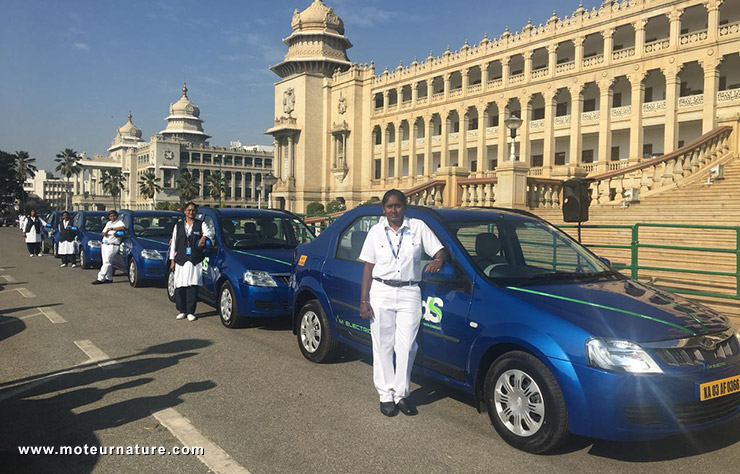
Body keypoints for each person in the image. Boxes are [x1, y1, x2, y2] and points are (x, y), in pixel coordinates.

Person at [358, 189, 447, 417]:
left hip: (409, 291)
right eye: (389, 206)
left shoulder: (417, 228)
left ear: (404, 207)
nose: (394, 210)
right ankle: (386, 395)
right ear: (384, 209)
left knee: (407, 346)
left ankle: (402, 394)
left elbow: (440, 251)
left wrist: (438, 261)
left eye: (398, 206)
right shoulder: (376, 232)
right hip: (381, 290)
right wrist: (364, 300)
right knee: (383, 345)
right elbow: (368, 267)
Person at [168, 202, 214, 321]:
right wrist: (172, 260)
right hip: (181, 260)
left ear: (196, 212)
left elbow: (210, 233)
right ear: (185, 212)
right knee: (180, 286)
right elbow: (173, 244)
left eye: (193, 210)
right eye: (189, 210)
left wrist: (204, 237)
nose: (191, 212)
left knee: (192, 286)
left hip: (195, 260)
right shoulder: (178, 226)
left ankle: (190, 312)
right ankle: (182, 310)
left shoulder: (200, 224)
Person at [92, 210, 126, 285]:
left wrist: (112, 229)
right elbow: (103, 233)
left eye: (114, 216)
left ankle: (100, 278)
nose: (112, 217)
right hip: (105, 244)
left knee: (107, 261)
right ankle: (109, 277)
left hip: (113, 245)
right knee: (106, 262)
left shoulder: (119, 222)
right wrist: (105, 232)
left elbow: (123, 228)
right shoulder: (108, 223)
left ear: (116, 216)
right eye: (111, 216)